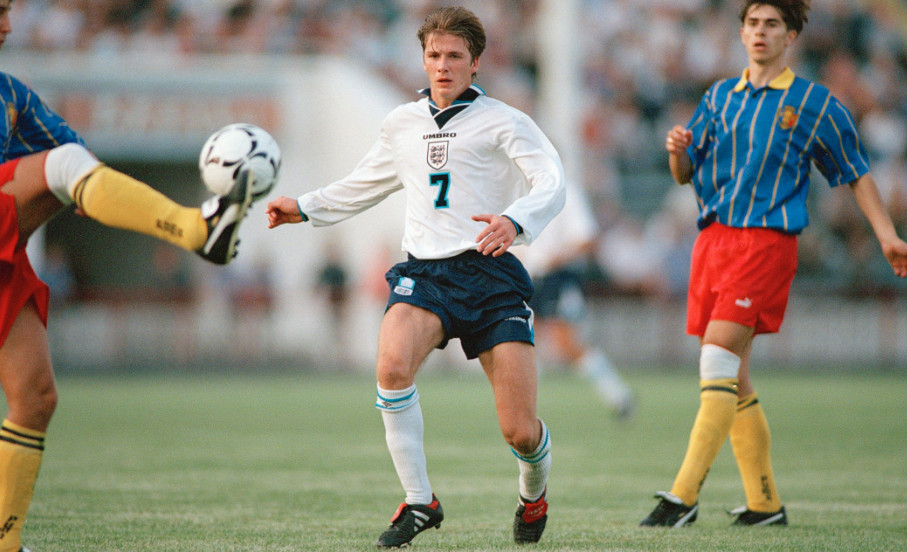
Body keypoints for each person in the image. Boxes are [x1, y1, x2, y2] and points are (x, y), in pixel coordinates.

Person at [266, 6, 564, 547]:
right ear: (422, 59)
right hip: (424, 273)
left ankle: (533, 494)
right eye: (433, 55)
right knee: (392, 364)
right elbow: (366, 182)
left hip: (491, 275)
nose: (443, 65)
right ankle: (420, 500)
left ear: (476, 62)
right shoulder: (402, 122)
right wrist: (304, 207)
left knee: (520, 431)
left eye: (454, 56)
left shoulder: (505, 121)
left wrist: (515, 220)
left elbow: (552, 179)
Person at [639, 0, 907, 528]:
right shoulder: (720, 96)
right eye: (751, 23)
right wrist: (676, 149)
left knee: (717, 364)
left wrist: (887, 236)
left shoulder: (813, 103)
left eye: (771, 24)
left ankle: (682, 498)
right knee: (736, 378)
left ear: (791, 35)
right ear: (741, 32)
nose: (759, 32)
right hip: (714, 242)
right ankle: (765, 504)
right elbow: (684, 174)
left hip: (765, 245)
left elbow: (856, 172)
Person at [0, 2, 257, 550]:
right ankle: (195, 228)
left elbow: (74, 153)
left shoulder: (11, 93)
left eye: (7, 12)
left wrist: (90, 188)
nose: (6, 26)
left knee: (36, 398)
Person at [518, 181, 634, 419]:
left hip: (558, 275)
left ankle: (617, 394)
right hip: (531, 275)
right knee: (528, 341)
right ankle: (525, 410)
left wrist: (554, 258)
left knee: (565, 342)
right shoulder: (521, 190)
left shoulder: (565, 190)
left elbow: (587, 238)